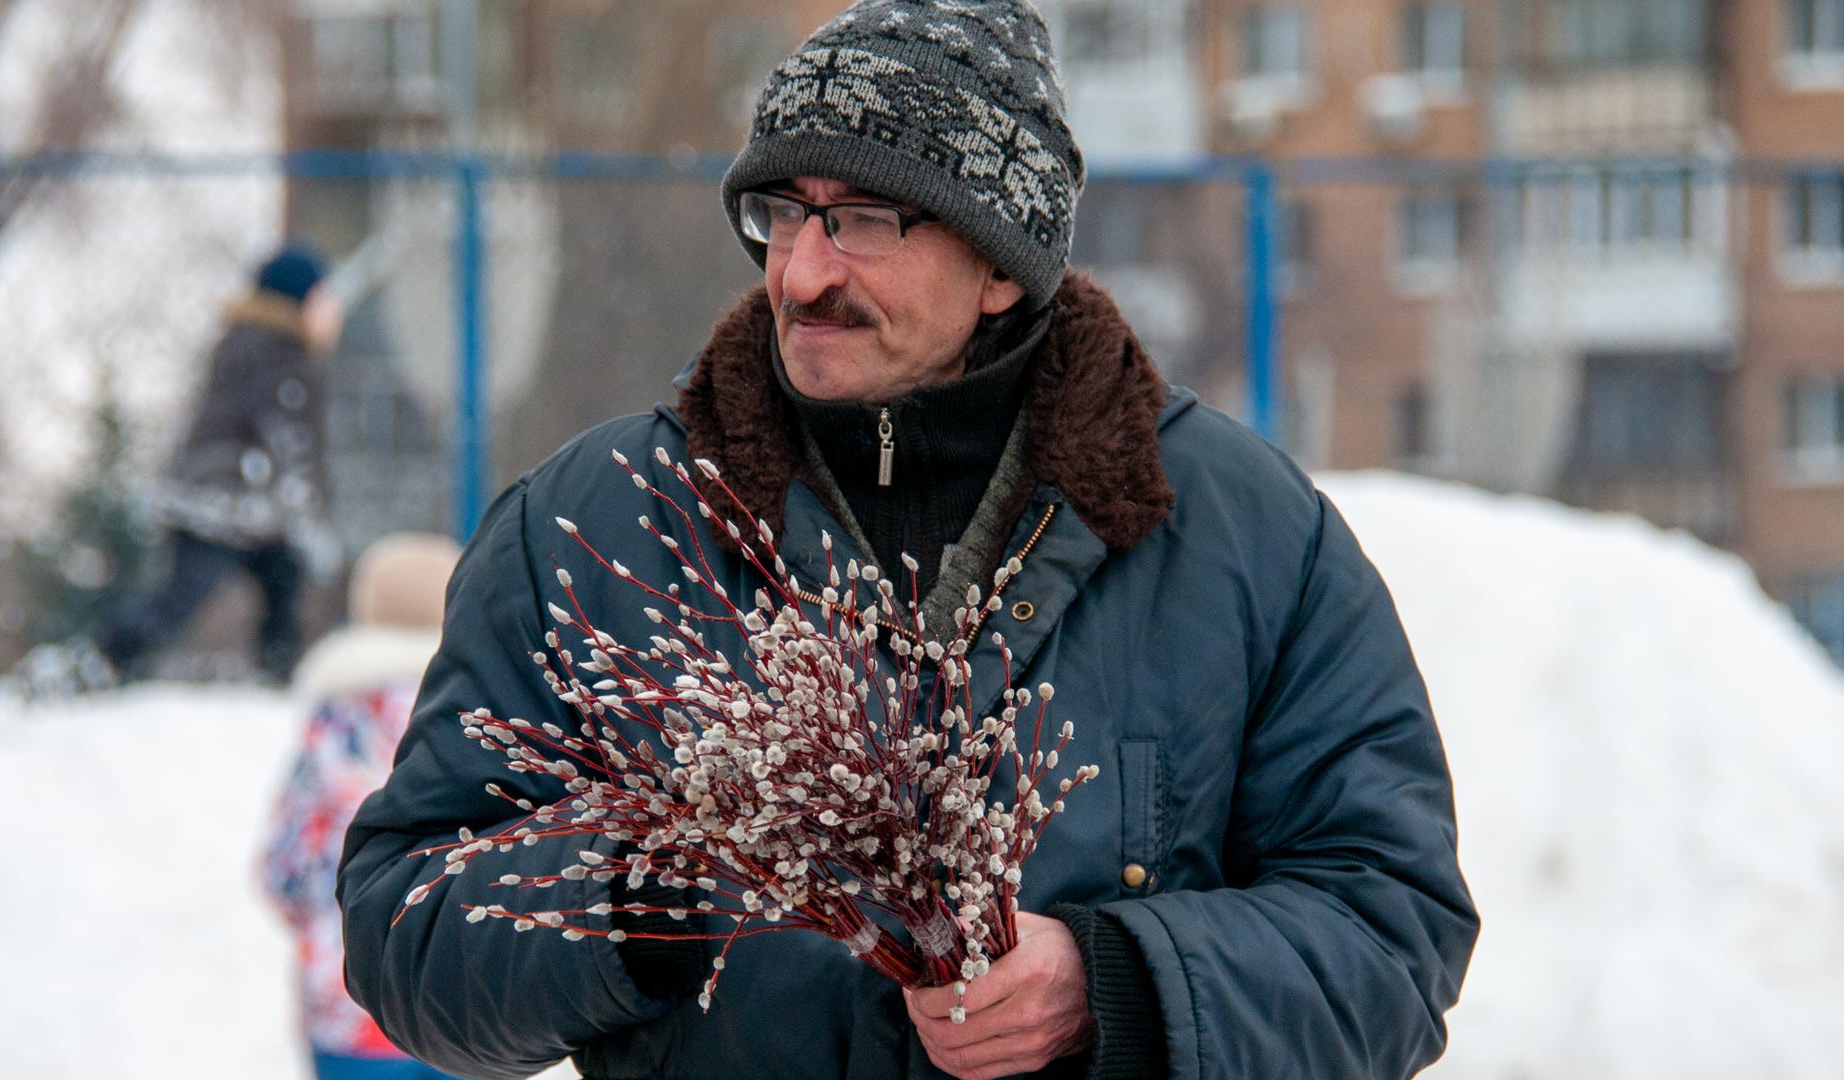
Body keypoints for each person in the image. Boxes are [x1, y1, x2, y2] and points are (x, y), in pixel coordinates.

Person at [338, 3, 1480, 1078]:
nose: (803, 271)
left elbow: (1391, 932)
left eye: (865, 220)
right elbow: (404, 927)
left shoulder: (1241, 532)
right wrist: (644, 890)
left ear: (999, 264)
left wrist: (1111, 981)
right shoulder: (601, 526)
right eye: (781, 213)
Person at [15, 241, 343, 695]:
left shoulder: (248, 340)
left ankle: (276, 679)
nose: (335, 312)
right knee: (185, 599)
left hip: (229, 499)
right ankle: (93, 664)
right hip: (226, 504)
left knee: (276, 585)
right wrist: (311, 512)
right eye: (326, 299)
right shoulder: (281, 354)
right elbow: (290, 443)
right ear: (299, 301)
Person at [264, 532, 464, 1080]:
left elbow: (284, 871)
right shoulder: (486, 722)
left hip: (351, 1010)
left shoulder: (338, 724)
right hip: (469, 1010)